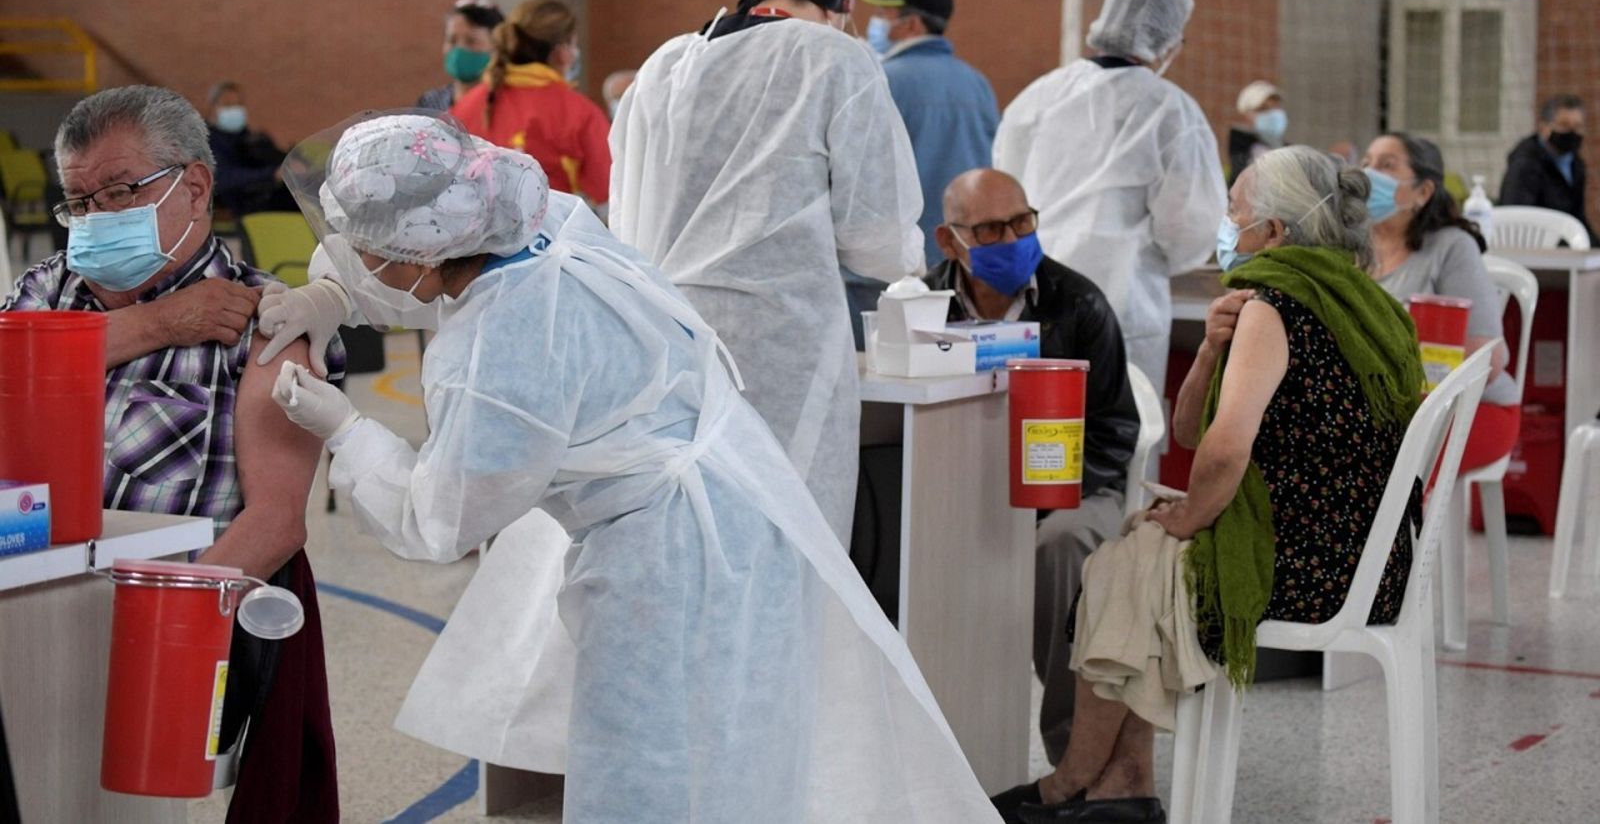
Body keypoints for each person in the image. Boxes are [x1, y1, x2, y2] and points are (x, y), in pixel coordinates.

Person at [255, 111, 1000, 823]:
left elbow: (438, 519)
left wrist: (348, 431)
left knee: (654, 773)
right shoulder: (539, 222)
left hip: (671, 559)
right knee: (740, 754)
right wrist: (335, 295)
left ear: (421, 249)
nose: (349, 255)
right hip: (733, 502)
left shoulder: (496, 354)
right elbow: (440, 274)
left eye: (359, 249)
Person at [994, 147, 1424, 823]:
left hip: (1310, 569)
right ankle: (1117, 784)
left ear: (1273, 232)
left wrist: (1191, 516)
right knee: (1139, 559)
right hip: (1372, 559)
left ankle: (1084, 781)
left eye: (1234, 210)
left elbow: (1221, 454)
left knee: (1126, 563)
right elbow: (1192, 429)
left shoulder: (1275, 306)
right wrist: (1208, 352)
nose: (1226, 224)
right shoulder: (1366, 300)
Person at [2, 85, 341, 823]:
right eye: (78, 202)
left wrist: (149, 637)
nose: (95, 218)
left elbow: (275, 522)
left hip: (161, 620)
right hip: (19, 597)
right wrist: (160, 324)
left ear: (193, 187)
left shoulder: (266, 321)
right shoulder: (46, 289)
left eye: (119, 192)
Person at [609, 0, 925, 544]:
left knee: (676, 532)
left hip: (662, 342)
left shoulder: (663, 67)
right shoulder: (836, 59)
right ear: (840, 8)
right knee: (784, 540)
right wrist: (911, 262)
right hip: (780, 345)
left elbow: (624, 219)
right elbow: (875, 236)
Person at [926, 169, 1139, 764]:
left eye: (1022, 222)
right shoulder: (921, 307)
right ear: (950, 241)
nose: (1014, 240)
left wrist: (1043, 498)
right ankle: (935, 751)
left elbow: (1116, 429)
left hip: (1073, 488)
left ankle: (1076, 758)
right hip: (958, 486)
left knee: (1063, 545)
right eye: (991, 230)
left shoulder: (1079, 303)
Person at [993, 0, 1226, 396]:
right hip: (1124, 299)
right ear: (1167, 38)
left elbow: (1005, 192)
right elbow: (1191, 222)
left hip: (1034, 293)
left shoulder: (1037, 96)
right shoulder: (1170, 110)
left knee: (1039, 421)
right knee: (1122, 426)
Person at [844, 0, 999, 345]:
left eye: (883, 14)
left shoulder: (882, 81)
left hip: (884, 277)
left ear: (911, 23)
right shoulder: (977, 84)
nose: (875, 22)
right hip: (956, 270)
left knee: (877, 375)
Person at [1363, 132, 1518, 471]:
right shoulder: (1354, 251)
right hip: (1384, 409)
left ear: (1423, 191)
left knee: (1367, 456)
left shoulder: (1452, 247)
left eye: (1387, 165)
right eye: (1366, 163)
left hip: (1470, 411)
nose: (1369, 174)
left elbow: (1489, 358)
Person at [451, 0, 611, 205]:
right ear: (562, 53)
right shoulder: (580, 113)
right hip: (553, 225)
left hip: (472, 223)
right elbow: (606, 190)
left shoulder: (465, 106)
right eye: (573, 44)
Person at [1500, 94, 1592, 244]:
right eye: (1564, 125)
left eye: (1577, 126)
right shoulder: (1525, 164)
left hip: (1565, 245)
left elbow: (1577, 217)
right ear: (1543, 127)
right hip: (1536, 247)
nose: (1572, 133)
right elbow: (1517, 219)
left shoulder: (1576, 165)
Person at [204, 81, 297, 219]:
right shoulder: (208, 141)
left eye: (238, 104)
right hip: (239, 205)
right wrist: (272, 174)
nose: (234, 110)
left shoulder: (250, 138)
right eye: (228, 105)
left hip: (265, 195)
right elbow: (224, 178)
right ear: (213, 108)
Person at [416, 0, 506, 112]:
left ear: (497, 47)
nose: (459, 50)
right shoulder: (430, 105)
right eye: (452, 40)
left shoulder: (507, 104)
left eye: (471, 41)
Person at [1227, 80, 1285, 186]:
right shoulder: (1243, 148)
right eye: (1263, 109)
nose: (1273, 114)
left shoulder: (1286, 148)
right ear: (1245, 114)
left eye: (1276, 108)